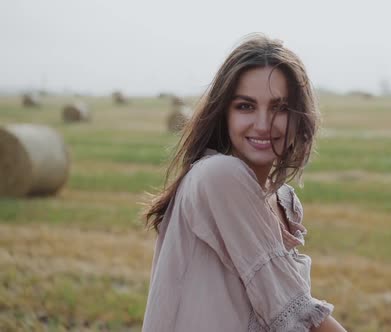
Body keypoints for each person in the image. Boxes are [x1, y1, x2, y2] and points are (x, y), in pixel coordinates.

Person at [142, 34, 346, 332]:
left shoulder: (283, 201)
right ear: (223, 113)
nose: (263, 124)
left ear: (299, 116)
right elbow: (294, 311)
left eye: (280, 108)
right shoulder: (218, 177)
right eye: (245, 106)